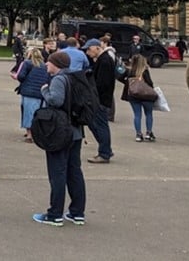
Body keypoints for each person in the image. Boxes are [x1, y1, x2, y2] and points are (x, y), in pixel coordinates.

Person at [32, 51, 87, 227]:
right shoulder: (75, 77)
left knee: (57, 173)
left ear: (56, 64)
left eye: (49, 62)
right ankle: (77, 212)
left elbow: (56, 100)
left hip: (60, 132)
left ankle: (54, 214)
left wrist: (45, 91)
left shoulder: (58, 79)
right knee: (74, 172)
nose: (46, 65)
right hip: (76, 131)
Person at [83, 39, 114, 164]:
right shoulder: (102, 60)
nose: (87, 53)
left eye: (89, 50)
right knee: (93, 123)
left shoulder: (105, 61)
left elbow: (102, 83)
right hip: (99, 98)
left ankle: (104, 153)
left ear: (96, 48)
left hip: (100, 99)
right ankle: (105, 149)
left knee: (100, 126)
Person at [14, 47, 49, 142]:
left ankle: (30, 135)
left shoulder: (27, 63)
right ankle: (38, 133)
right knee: (39, 113)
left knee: (28, 113)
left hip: (28, 92)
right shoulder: (45, 65)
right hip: (41, 93)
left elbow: (21, 76)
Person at [121, 54, 156, 142]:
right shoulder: (145, 71)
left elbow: (122, 79)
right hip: (146, 95)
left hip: (134, 95)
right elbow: (150, 83)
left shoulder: (130, 71)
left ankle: (138, 134)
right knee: (148, 114)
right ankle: (148, 133)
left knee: (137, 115)